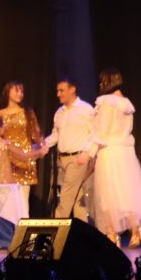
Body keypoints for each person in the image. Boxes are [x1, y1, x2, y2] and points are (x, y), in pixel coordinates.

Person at [89, 69, 141, 248]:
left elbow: (102, 132)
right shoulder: (126, 104)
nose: (100, 85)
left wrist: (89, 152)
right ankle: (136, 229)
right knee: (126, 194)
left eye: (102, 81)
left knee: (107, 197)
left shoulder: (106, 102)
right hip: (126, 153)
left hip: (110, 152)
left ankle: (112, 234)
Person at [41, 77, 95, 221]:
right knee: (77, 198)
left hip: (77, 159)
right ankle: (82, 231)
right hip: (62, 160)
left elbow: (95, 133)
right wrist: (43, 145)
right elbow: (55, 135)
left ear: (72, 90)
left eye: (62, 90)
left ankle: (55, 228)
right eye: (57, 91)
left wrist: (87, 153)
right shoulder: (60, 112)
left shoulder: (86, 109)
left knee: (66, 197)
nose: (58, 94)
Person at [0, 80, 46, 212]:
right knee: (5, 203)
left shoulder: (27, 112)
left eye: (22, 91)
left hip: (24, 161)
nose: (20, 94)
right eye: (16, 90)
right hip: (6, 161)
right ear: (8, 92)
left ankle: (22, 225)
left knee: (22, 203)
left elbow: (37, 134)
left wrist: (42, 147)